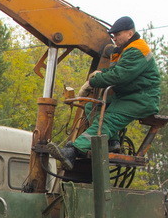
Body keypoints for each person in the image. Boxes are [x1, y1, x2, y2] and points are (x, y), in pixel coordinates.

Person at [47, 16, 161, 170]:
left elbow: (120, 76)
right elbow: (115, 71)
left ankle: (73, 151)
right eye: (113, 36)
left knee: (106, 120)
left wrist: (93, 81)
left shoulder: (137, 49)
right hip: (128, 95)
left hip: (142, 98)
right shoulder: (124, 50)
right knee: (92, 107)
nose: (115, 39)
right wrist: (100, 74)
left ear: (129, 32)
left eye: (118, 35)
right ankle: (112, 143)